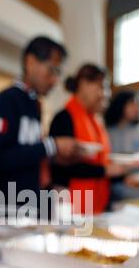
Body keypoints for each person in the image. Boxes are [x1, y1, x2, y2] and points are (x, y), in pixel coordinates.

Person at [0, 36, 78, 216]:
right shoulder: (6, 101)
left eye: (58, 74)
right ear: (31, 62)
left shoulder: (33, 104)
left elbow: (28, 152)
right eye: (52, 71)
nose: (55, 80)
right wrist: (52, 145)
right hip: (6, 206)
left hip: (30, 203)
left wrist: (55, 155)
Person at [49, 64, 126, 214]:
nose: (105, 94)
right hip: (71, 207)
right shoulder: (64, 118)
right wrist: (105, 170)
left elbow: (100, 161)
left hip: (96, 206)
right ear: (84, 84)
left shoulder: (96, 121)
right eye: (101, 87)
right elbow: (61, 167)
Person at [104, 90, 139, 201]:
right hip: (113, 190)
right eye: (132, 104)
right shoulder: (106, 133)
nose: (136, 108)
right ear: (120, 105)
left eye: (138, 105)